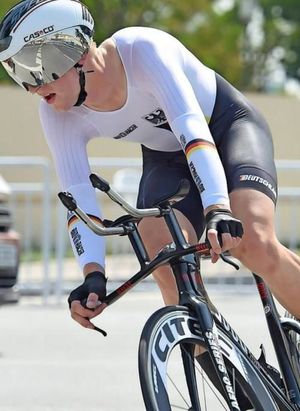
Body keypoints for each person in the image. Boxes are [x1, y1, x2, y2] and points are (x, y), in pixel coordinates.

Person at [1, 0, 300, 331]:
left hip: (223, 127)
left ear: (75, 51)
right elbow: (78, 194)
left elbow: (193, 132)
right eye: (18, 72)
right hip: (167, 154)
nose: (31, 86)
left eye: (35, 68)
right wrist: (93, 274)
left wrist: (217, 207)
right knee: (160, 254)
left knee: (251, 238)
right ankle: (229, 375)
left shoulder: (141, 50)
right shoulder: (57, 112)